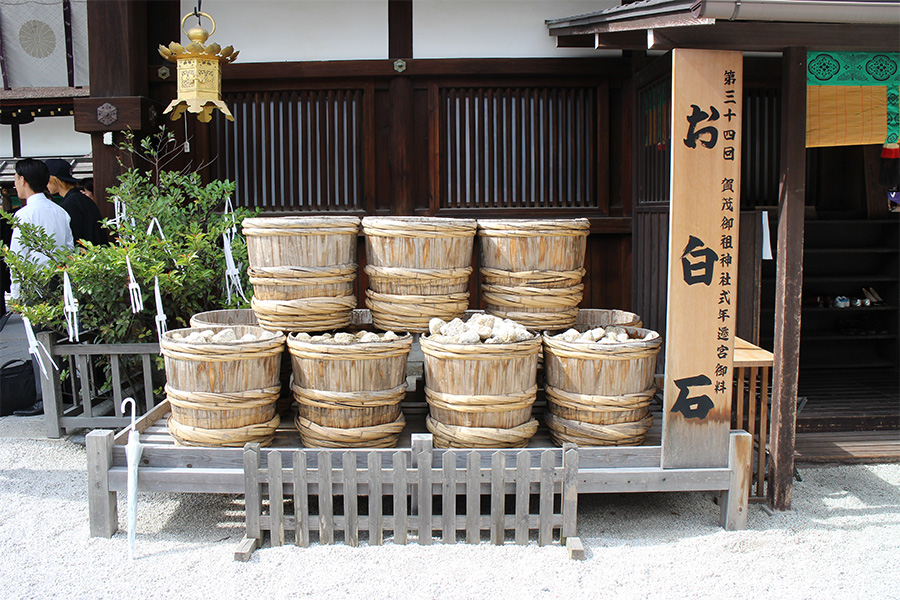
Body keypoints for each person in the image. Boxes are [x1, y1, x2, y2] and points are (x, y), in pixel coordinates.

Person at [8, 158, 74, 416]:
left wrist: (15, 295)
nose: (15, 184)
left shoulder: (24, 215)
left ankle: (44, 398)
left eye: (15, 179)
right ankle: (66, 392)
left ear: (23, 180)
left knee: (38, 342)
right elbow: (69, 251)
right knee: (61, 340)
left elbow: (17, 260)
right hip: (59, 284)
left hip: (35, 286)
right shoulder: (60, 212)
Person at [45, 159, 107, 246]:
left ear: (55, 179)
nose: (45, 183)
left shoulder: (70, 203)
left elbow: (75, 237)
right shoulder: (80, 199)